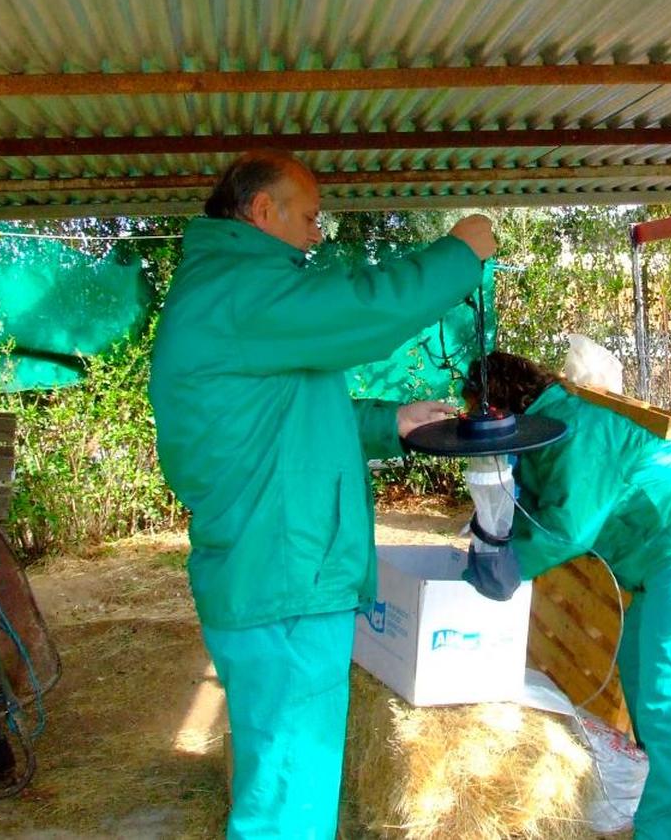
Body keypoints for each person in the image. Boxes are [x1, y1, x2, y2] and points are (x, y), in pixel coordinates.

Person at [148, 149, 495, 838]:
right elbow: (366, 309)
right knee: (287, 808)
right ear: (261, 211)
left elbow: (283, 416)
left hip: (273, 574)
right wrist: (463, 251)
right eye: (308, 217)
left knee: (284, 791)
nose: (317, 233)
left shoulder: (233, 294)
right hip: (284, 582)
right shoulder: (242, 290)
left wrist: (387, 423)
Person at [463, 351, 671, 840]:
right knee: (640, 683)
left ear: (500, 407)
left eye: (478, 414)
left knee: (669, 708)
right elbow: (528, 499)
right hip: (658, 565)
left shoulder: (573, 433)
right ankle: (663, 816)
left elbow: (566, 529)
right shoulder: (542, 430)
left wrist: (503, 568)